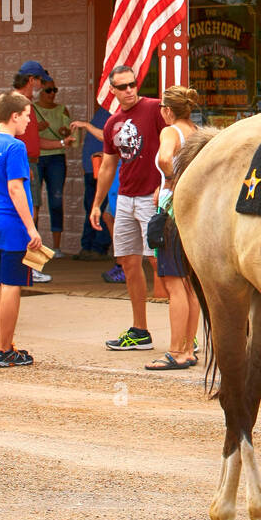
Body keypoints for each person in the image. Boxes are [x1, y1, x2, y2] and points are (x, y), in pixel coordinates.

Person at [90, 64, 164, 351]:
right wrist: (97, 204)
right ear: (113, 91)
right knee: (129, 262)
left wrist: (166, 182)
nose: (130, 90)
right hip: (125, 198)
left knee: (163, 265)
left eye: (133, 84)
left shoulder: (156, 108)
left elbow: (178, 143)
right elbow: (108, 165)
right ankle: (140, 330)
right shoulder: (111, 124)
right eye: (122, 86)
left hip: (152, 197)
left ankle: (185, 333)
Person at [145, 86, 201, 371]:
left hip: (172, 212)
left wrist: (168, 181)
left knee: (174, 284)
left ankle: (177, 350)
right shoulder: (196, 131)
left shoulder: (171, 131)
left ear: (167, 110)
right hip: (192, 212)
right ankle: (189, 348)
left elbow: (167, 159)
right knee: (189, 284)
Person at [0, 90, 43, 368]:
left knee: (1, 285)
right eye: (26, 116)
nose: (28, 122)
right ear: (14, 116)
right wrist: (31, 228)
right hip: (11, 225)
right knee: (12, 286)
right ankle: (5, 351)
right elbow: (15, 188)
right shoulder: (15, 147)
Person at [13, 62, 52, 283]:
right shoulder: (17, 102)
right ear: (31, 80)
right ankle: (28, 266)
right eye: (40, 81)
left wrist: (63, 141)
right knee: (28, 214)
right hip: (25, 163)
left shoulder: (24, 103)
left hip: (30, 161)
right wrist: (22, 163)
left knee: (30, 212)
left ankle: (27, 266)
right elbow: (9, 133)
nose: (41, 86)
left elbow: (35, 141)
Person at [32, 77, 74, 253]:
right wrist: (36, 129)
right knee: (34, 203)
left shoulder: (62, 109)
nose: (52, 94)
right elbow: (26, 132)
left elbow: (70, 134)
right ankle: (33, 244)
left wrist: (65, 132)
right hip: (38, 157)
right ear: (40, 92)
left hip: (57, 157)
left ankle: (56, 247)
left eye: (54, 90)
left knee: (56, 200)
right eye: (48, 91)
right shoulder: (32, 109)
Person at [67, 104, 113, 260]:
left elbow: (108, 137)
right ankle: (87, 246)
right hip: (92, 168)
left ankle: (99, 248)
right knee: (91, 207)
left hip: (106, 169)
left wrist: (86, 125)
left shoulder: (119, 113)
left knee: (103, 209)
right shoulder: (101, 112)